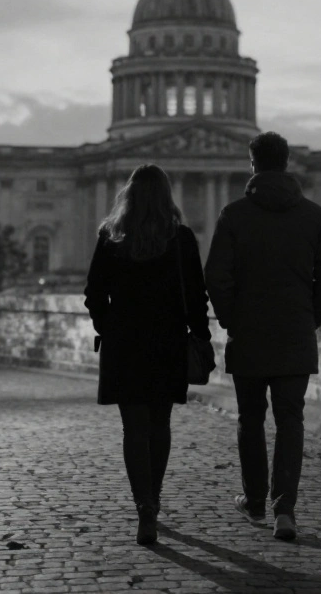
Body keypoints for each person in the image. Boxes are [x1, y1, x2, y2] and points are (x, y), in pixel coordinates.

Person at [204, 131, 321, 541]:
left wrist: (232, 319)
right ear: (286, 164)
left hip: (248, 334)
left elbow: (216, 277)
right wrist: (308, 318)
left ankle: (255, 501)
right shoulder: (313, 215)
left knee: (250, 420)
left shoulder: (234, 214)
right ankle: (286, 510)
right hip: (294, 333)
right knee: (290, 420)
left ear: (252, 165)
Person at [84, 163, 211, 546]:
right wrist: (201, 337)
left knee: (134, 429)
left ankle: (144, 506)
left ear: (129, 196)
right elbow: (196, 297)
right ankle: (152, 500)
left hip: (125, 345)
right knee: (159, 426)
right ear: (167, 197)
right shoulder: (182, 238)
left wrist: (110, 326)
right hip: (167, 342)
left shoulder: (112, 237)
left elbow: (93, 294)